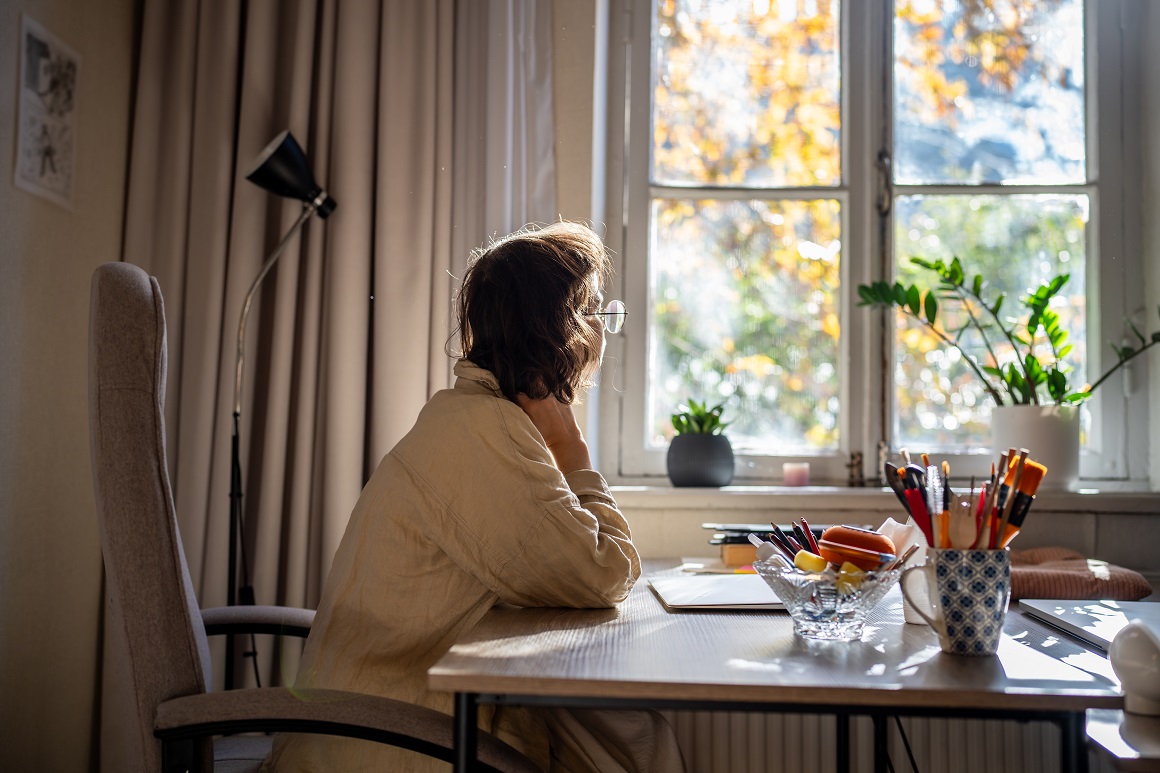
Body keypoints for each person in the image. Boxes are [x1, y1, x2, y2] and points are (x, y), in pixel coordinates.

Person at [263, 222, 685, 772]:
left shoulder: (473, 418)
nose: (603, 338)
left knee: (625, 733)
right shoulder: (487, 434)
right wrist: (574, 453)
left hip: (392, 717)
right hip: (390, 739)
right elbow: (603, 573)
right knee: (633, 739)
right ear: (563, 330)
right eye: (599, 316)